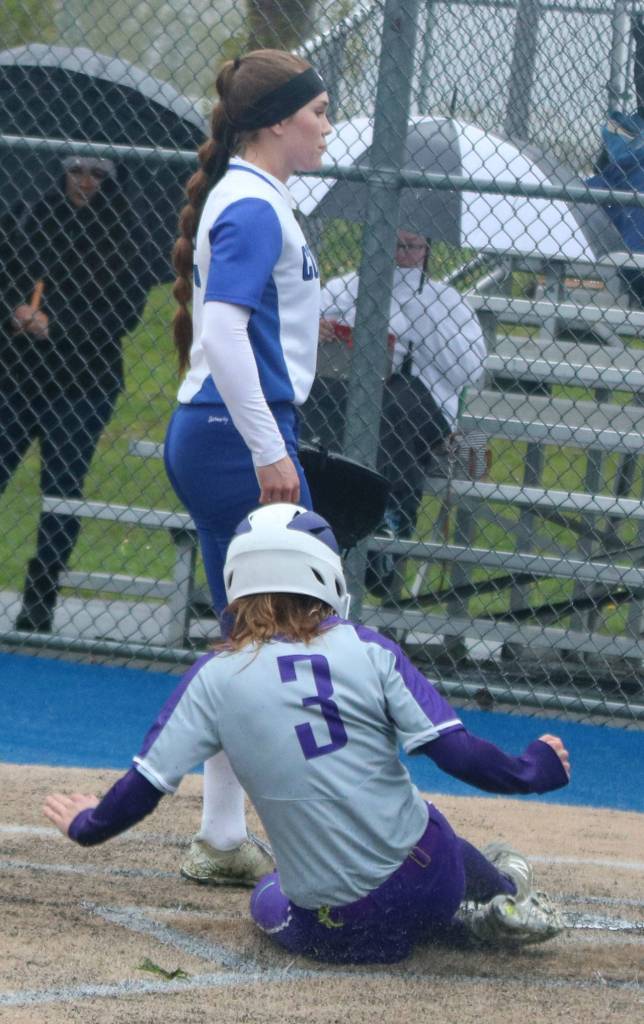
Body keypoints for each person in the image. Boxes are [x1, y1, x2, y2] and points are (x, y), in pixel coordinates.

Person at [44, 503, 570, 964]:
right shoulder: (369, 649)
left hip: (344, 926)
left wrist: (89, 824)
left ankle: (460, 927)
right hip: (434, 877)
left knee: (268, 894)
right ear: (324, 572)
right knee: (425, 826)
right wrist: (535, 769)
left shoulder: (214, 677)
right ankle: (502, 890)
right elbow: (459, 755)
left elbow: (145, 784)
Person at [165, 51, 331, 886]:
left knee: (255, 636)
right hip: (236, 438)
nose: (326, 127)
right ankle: (333, 834)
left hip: (223, 431)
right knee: (304, 633)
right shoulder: (255, 202)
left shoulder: (254, 196)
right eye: (317, 112)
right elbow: (224, 333)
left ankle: (223, 835)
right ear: (275, 123)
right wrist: (269, 449)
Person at [0, 156, 152, 633]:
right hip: (16, 377)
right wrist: (14, 312)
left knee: (62, 490)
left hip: (84, 385)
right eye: (76, 172)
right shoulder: (29, 217)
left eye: (97, 175)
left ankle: (40, 596)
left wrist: (58, 325)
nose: (85, 182)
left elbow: (124, 314)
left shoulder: (124, 235)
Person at [314, 229, 487, 548]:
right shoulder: (344, 289)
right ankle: (316, 514)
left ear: (427, 249)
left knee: (391, 408)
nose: (402, 254)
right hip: (345, 395)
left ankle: (389, 517)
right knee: (319, 399)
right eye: (394, 244)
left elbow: (469, 370)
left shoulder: (447, 301)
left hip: (419, 407)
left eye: (412, 246)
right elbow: (297, 336)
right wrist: (315, 329)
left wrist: (424, 321)